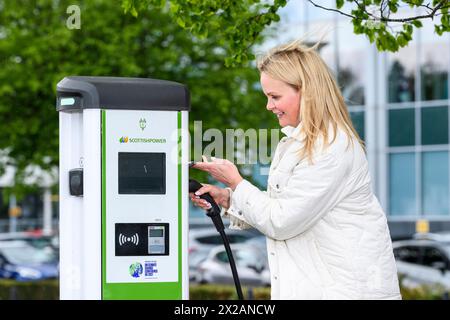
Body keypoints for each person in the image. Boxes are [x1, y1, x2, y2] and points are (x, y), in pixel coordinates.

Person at [189, 40, 401, 300]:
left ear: (307, 92)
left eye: (275, 97)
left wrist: (236, 182)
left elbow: (281, 221)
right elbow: (286, 209)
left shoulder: (331, 147)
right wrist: (229, 199)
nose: (269, 106)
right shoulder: (297, 143)